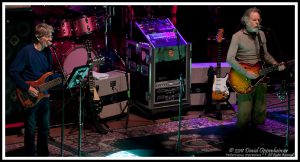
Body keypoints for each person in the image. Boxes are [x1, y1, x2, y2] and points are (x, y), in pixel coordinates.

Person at [226, 7, 286, 130]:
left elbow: (266, 54)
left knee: (260, 110)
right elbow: (230, 59)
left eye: (259, 20)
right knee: (244, 113)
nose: (257, 23)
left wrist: (276, 64)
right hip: (243, 78)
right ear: (245, 21)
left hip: (261, 75)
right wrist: (246, 72)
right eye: (254, 20)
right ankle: (239, 141)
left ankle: (257, 137)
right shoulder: (237, 36)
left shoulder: (261, 34)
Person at [9, 23, 58, 156]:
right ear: (38, 37)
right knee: (30, 129)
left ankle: (43, 154)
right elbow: (12, 71)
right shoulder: (26, 52)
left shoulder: (48, 52)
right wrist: (27, 87)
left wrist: (67, 76)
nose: (50, 39)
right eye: (47, 36)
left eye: (51, 35)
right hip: (29, 95)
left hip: (44, 95)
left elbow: (49, 74)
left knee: (45, 128)